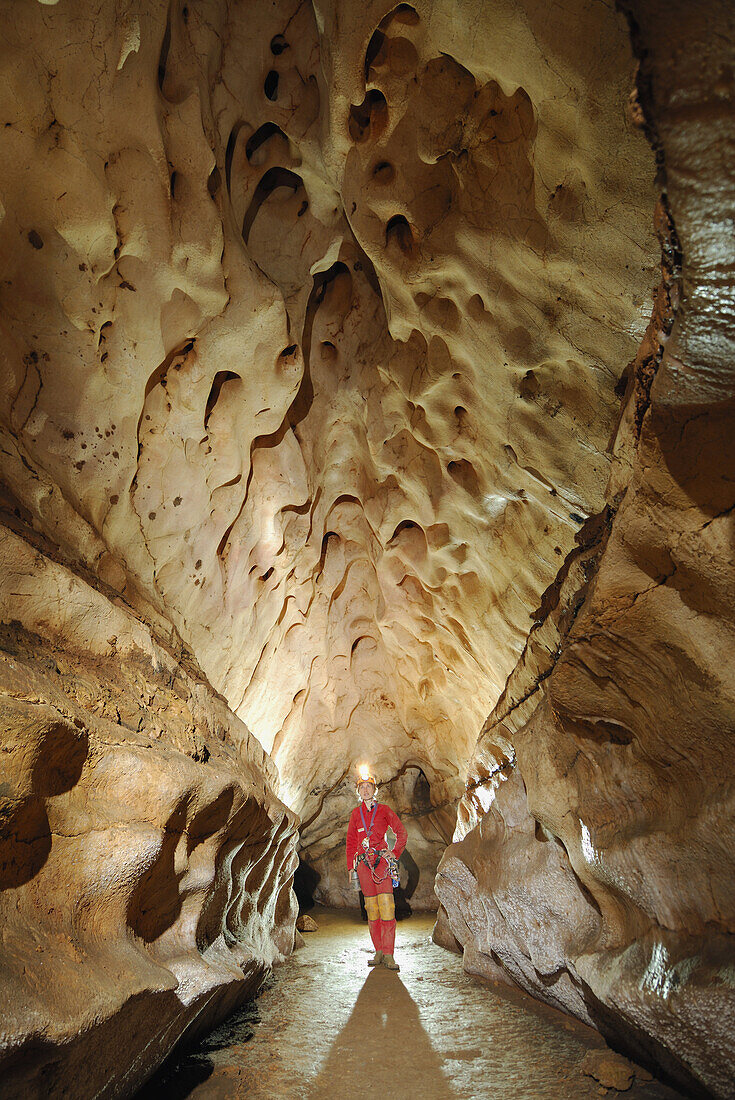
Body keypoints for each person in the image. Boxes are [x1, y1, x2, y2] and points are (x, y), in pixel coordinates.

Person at [346, 773, 407, 970]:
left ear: (374, 790)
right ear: (358, 792)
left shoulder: (384, 810)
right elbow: (351, 843)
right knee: (371, 909)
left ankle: (389, 954)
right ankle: (379, 951)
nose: (365, 790)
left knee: (387, 906)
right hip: (364, 866)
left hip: (381, 864)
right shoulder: (356, 814)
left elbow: (401, 832)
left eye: (368, 787)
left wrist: (394, 852)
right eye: (362, 787)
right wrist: (350, 866)